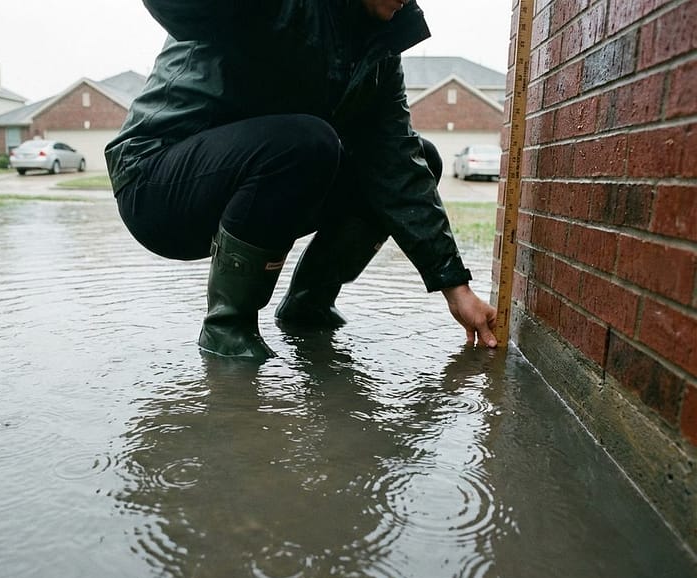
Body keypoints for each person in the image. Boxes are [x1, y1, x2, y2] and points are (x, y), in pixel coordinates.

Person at [105, 0, 498, 361]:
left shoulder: (377, 51)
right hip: (156, 182)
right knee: (307, 141)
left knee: (419, 157)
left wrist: (455, 287)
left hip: (259, 179)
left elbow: (398, 167)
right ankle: (227, 329)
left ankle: (309, 304)